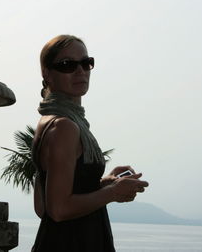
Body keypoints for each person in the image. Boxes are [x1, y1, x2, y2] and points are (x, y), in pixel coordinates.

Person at [31, 34, 149, 252]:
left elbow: (42, 207)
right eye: (68, 65)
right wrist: (113, 193)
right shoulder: (64, 127)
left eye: (86, 63)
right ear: (47, 74)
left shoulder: (47, 123)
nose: (81, 71)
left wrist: (104, 183)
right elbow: (57, 209)